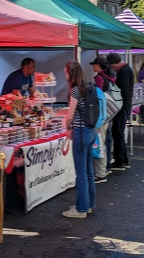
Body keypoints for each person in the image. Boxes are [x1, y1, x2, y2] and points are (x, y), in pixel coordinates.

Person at [62, 61, 96, 218]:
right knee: (89, 170)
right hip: (90, 131)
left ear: (71, 73)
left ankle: (81, 208)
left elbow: (70, 115)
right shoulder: (89, 86)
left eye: (66, 73)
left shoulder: (75, 91)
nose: (65, 76)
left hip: (80, 132)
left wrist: (67, 127)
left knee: (81, 172)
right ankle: (88, 204)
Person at [90, 56, 115, 184]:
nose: (92, 67)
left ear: (98, 65)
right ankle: (106, 167)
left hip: (100, 115)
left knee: (99, 144)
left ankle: (100, 173)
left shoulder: (99, 78)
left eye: (94, 65)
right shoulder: (110, 77)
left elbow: (96, 97)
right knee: (106, 141)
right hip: (108, 113)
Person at [107, 53, 134, 170]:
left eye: (111, 65)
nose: (112, 68)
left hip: (122, 105)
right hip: (125, 104)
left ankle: (120, 161)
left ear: (114, 63)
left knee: (117, 132)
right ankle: (123, 159)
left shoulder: (123, 72)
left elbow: (123, 90)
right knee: (119, 132)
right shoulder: (127, 69)